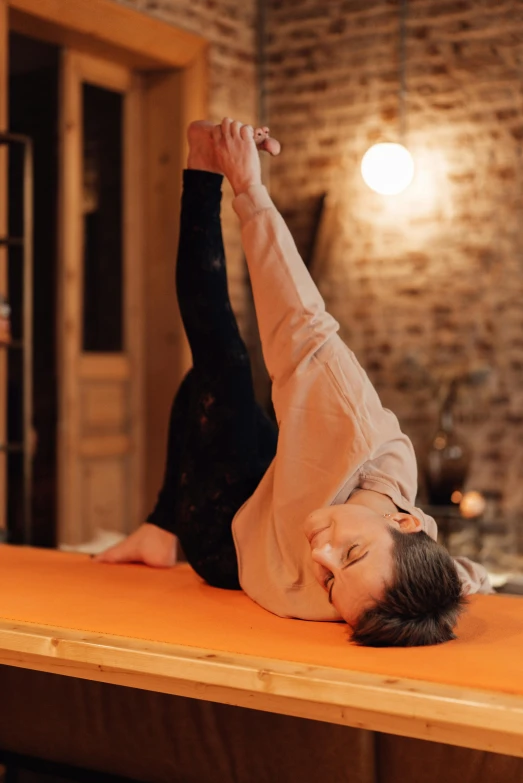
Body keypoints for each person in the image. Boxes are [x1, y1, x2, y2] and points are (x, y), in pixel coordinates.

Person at [96, 118, 493, 647]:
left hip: (226, 541)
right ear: (406, 525)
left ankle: (166, 526)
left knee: (218, 386)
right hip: (274, 489)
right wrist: (247, 187)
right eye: (350, 553)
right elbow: (301, 327)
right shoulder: (360, 435)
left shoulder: (371, 594)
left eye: (329, 583)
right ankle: (158, 528)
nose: (320, 556)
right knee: (221, 375)